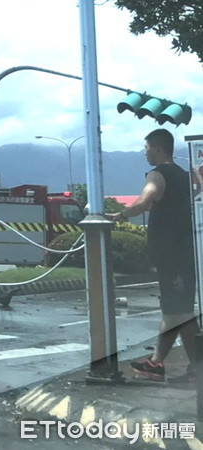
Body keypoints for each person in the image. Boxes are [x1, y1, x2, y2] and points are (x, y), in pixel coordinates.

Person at [109, 128, 198, 383]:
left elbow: (144, 202)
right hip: (184, 251)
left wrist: (120, 215)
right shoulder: (185, 175)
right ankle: (157, 363)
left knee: (179, 314)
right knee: (174, 312)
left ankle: (193, 366)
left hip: (172, 256)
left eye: (147, 148)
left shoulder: (158, 174)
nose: (144, 152)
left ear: (158, 148)